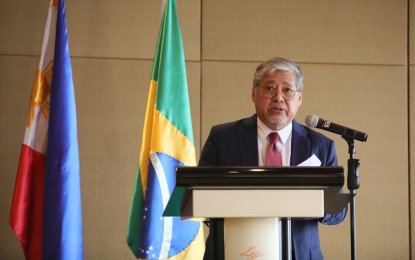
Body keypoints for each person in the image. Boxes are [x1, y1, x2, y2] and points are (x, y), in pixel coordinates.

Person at [199, 57, 347, 260]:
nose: (279, 97)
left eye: (287, 90)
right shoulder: (222, 138)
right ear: (254, 93)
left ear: (299, 99)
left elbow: (338, 213)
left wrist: (309, 201)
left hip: (300, 255)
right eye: (270, 89)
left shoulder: (321, 145)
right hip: (235, 251)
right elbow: (200, 199)